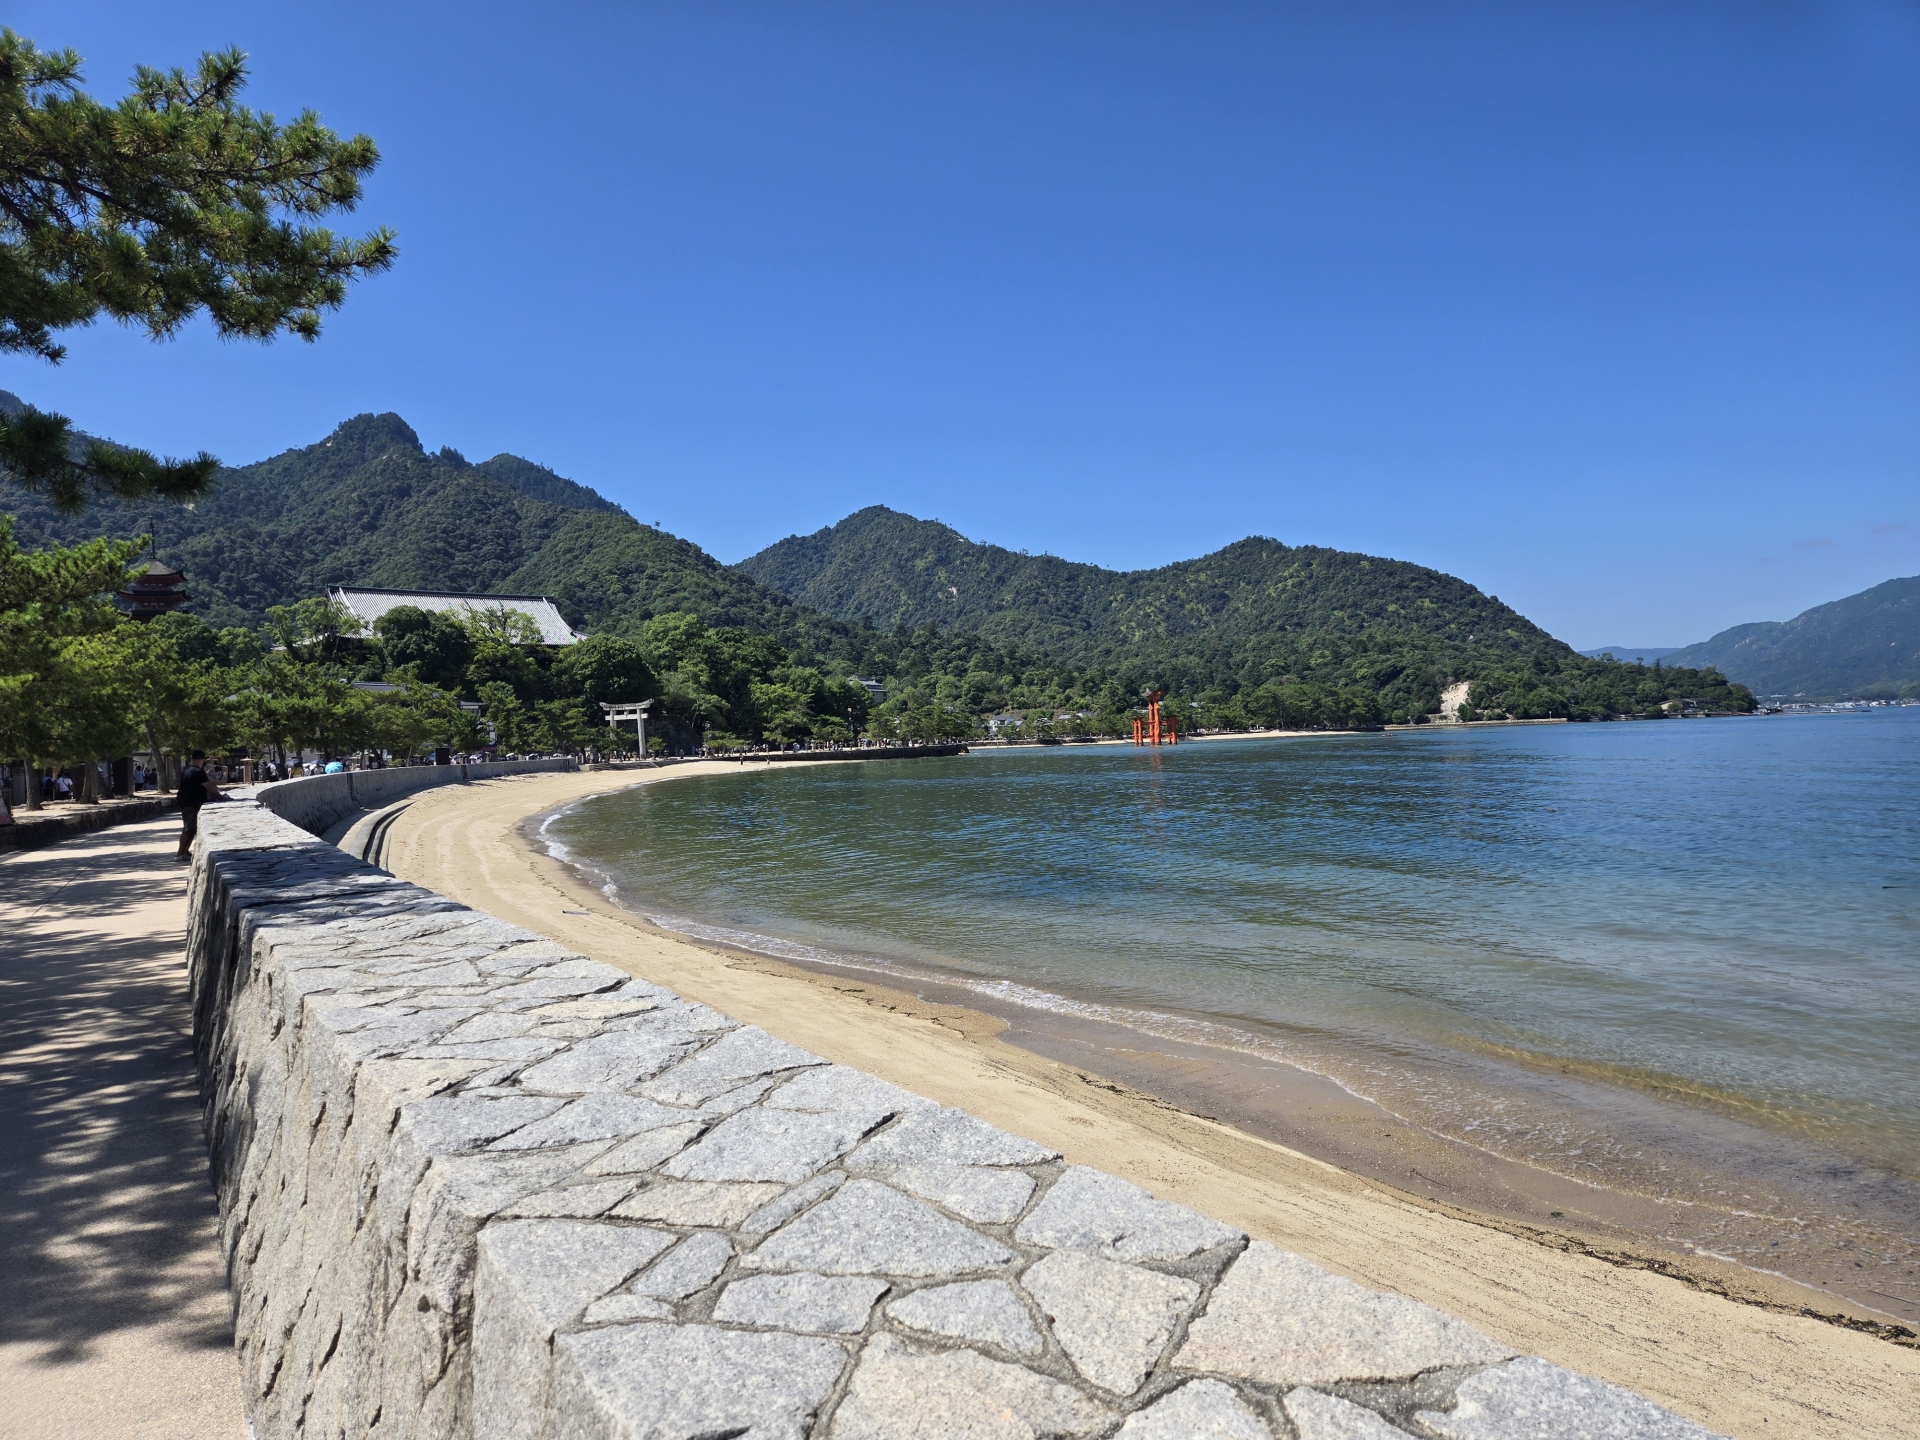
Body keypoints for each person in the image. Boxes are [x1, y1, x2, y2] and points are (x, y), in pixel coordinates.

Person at [176, 753, 223, 861]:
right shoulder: (198, 771)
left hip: (186, 801)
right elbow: (209, 787)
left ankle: (185, 851)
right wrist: (221, 797)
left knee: (192, 828)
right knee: (189, 828)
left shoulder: (187, 769)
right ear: (202, 760)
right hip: (191, 803)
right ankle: (179, 853)